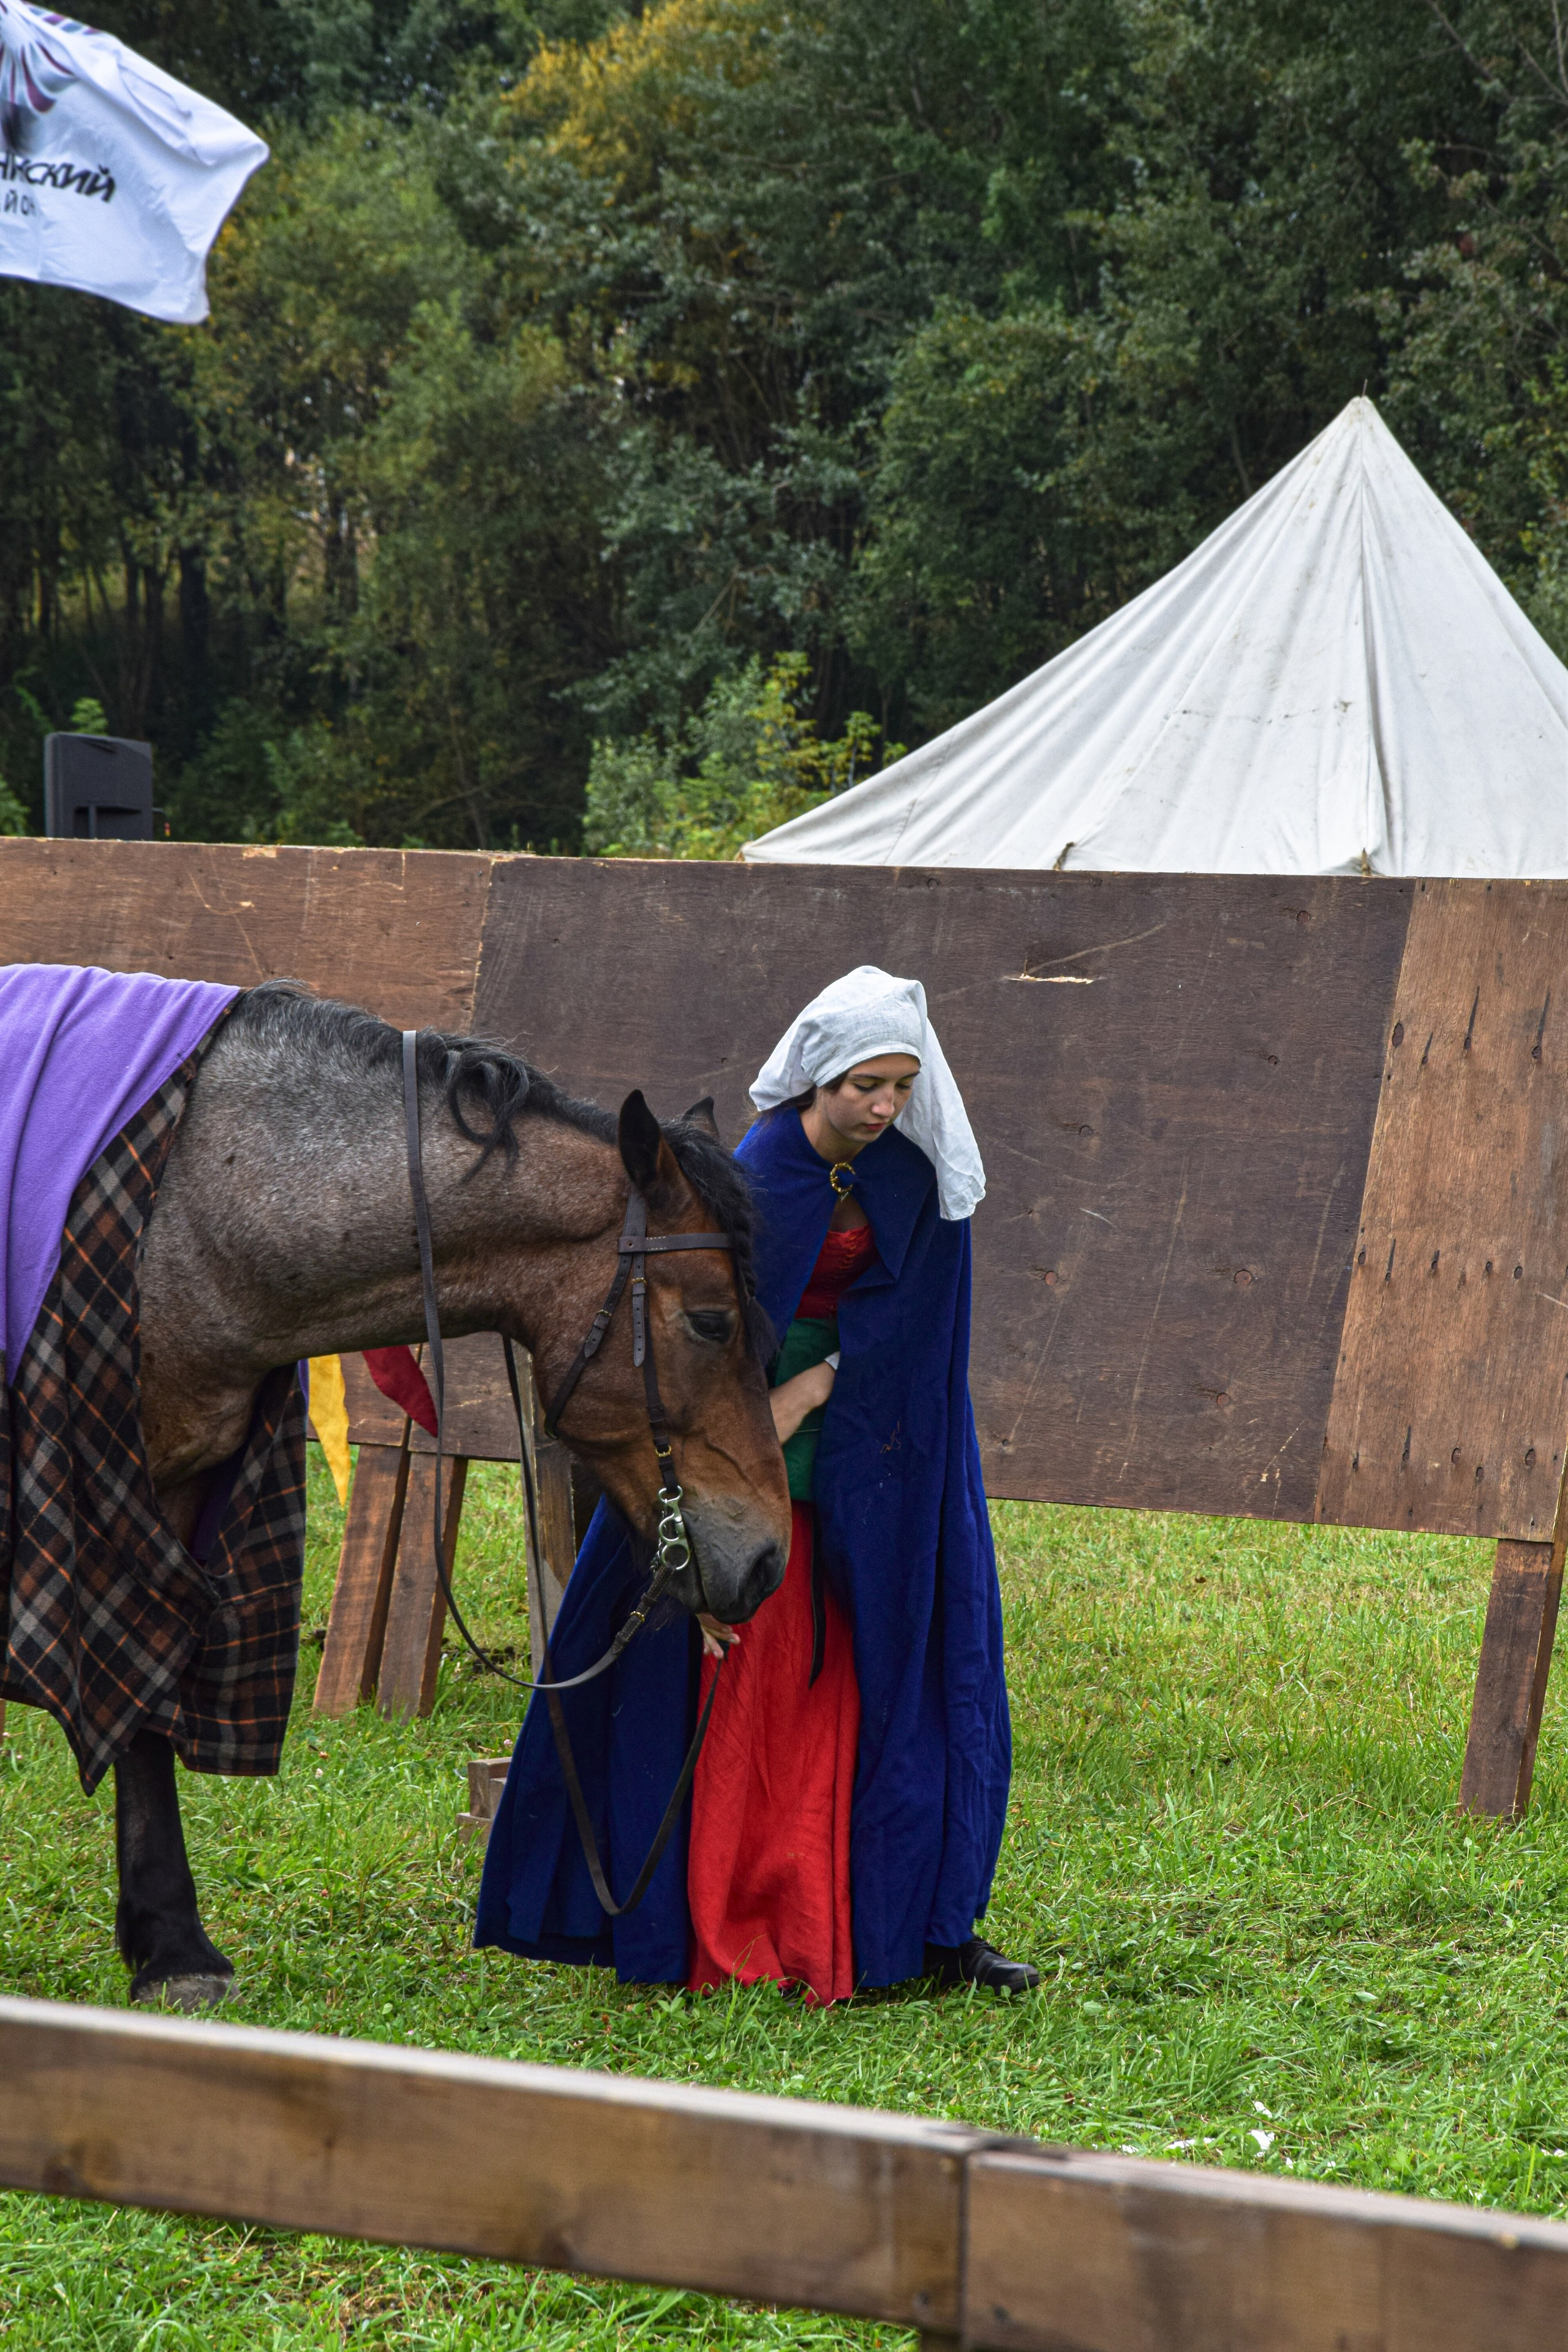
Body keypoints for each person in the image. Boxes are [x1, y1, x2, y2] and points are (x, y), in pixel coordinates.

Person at [475, 966, 1036, 2000]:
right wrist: (792, 1401)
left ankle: (913, 1925)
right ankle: (723, 1915)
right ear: (817, 1077)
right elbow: (708, 1350)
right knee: (747, 1672)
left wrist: (841, 1381)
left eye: (903, 1087)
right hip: (745, 1440)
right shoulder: (757, 1175)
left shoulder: (921, 1181)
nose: (884, 1106)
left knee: (896, 1672)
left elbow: (925, 1341)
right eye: (867, 1083)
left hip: (887, 1451)